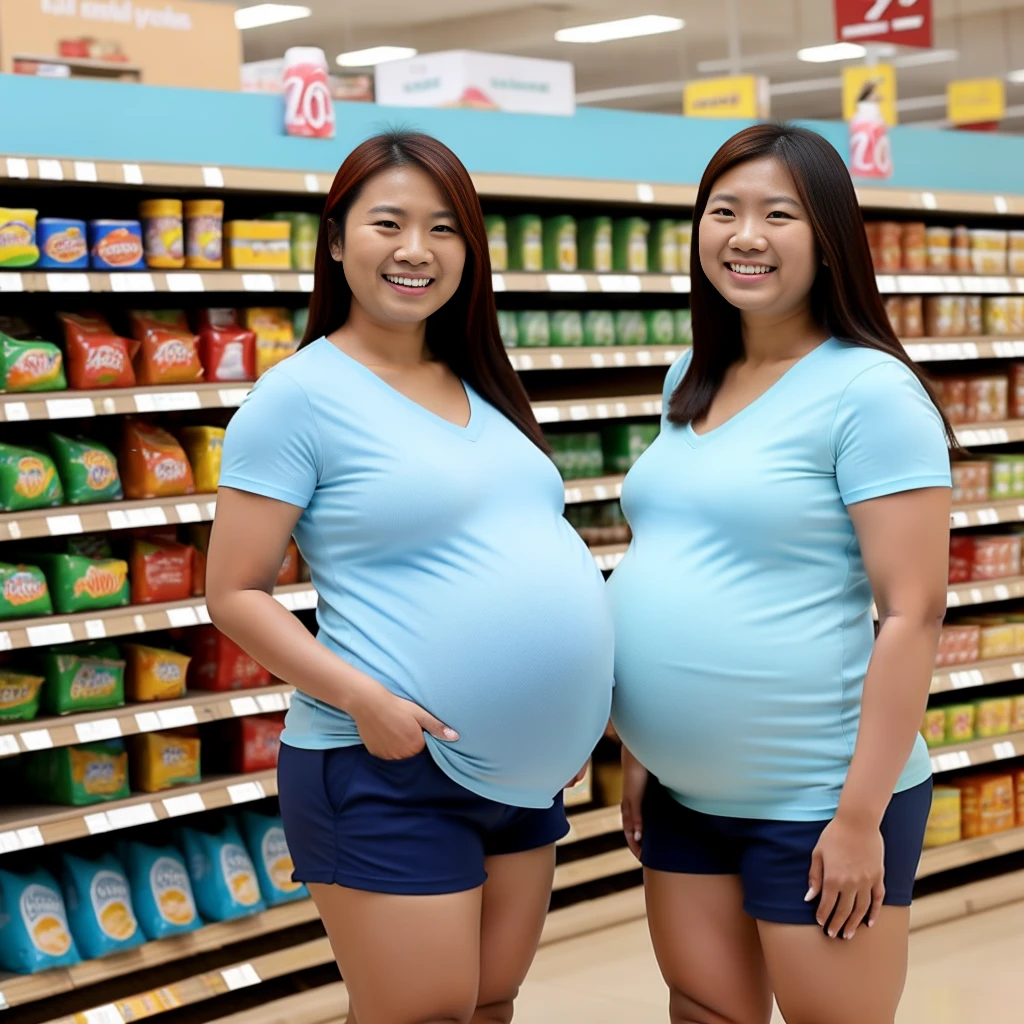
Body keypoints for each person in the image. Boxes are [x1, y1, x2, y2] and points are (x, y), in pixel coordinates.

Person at [206, 130, 613, 1024]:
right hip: (385, 766)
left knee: (488, 1004)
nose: (416, 250)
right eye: (388, 223)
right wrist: (363, 700)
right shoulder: (296, 398)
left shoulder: (481, 385)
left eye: (444, 228)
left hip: (522, 778)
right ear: (336, 238)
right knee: (422, 1012)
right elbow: (233, 591)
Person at [608, 123, 953, 1024]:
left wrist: (858, 819)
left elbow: (913, 614)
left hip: (819, 797)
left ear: (829, 238)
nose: (745, 236)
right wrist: (644, 747)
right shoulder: (693, 374)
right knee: (703, 1009)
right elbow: (670, 562)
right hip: (683, 795)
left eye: (778, 215)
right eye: (724, 212)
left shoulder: (870, 392)